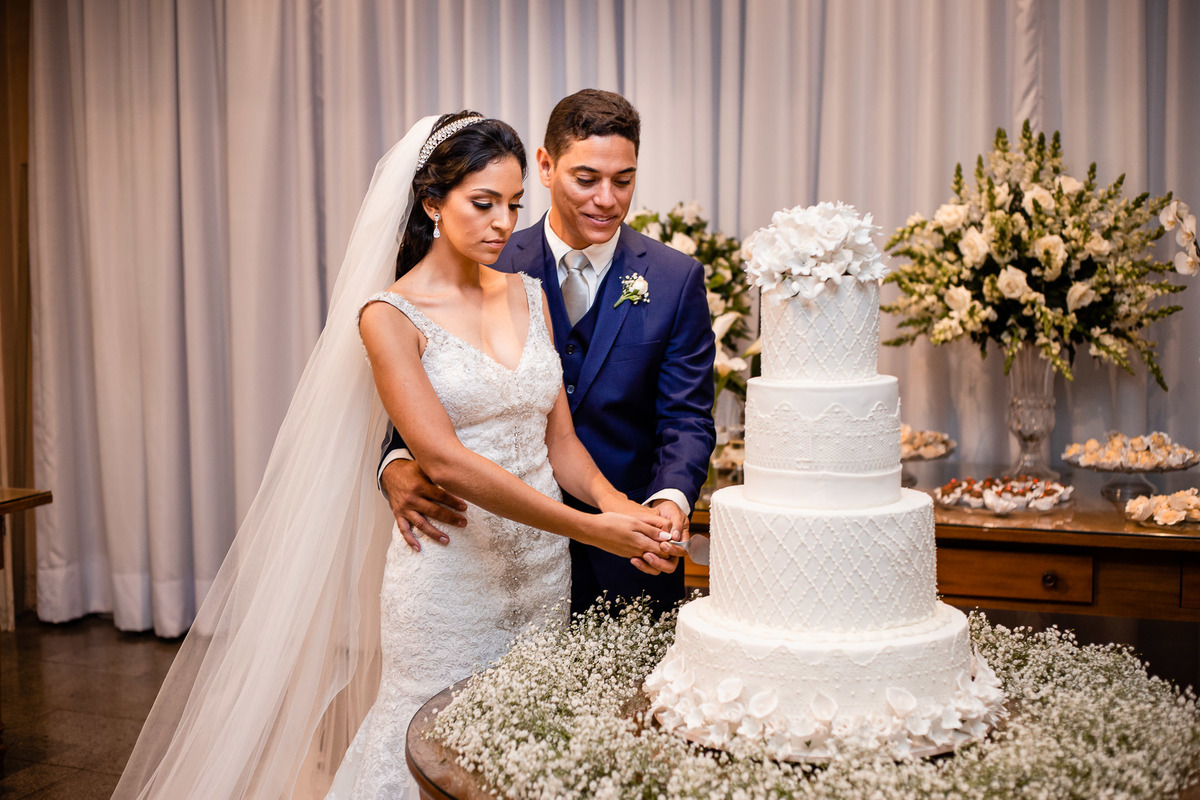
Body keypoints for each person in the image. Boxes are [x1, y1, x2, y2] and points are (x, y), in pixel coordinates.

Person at [114, 112, 676, 800]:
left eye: (512, 204)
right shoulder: (390, 315)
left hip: (541, 575)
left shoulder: (528, 294)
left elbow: (558, 440)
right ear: (433, 204)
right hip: (448, 575)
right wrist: (592, 528)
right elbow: (442, 460)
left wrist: (622, 510)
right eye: (483, 203)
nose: (504, 222)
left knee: (523, 746)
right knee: (425, 747)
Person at [380, 90, 717, 615]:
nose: (607, 198)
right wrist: (394, 463)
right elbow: (422, 403)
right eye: (586, 179)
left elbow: (687, 417)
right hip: (477, 549)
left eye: (623, 181)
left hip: (627, 555)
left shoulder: (675, 279)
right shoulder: (488, 257)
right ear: (545, 165)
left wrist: (664, 501)